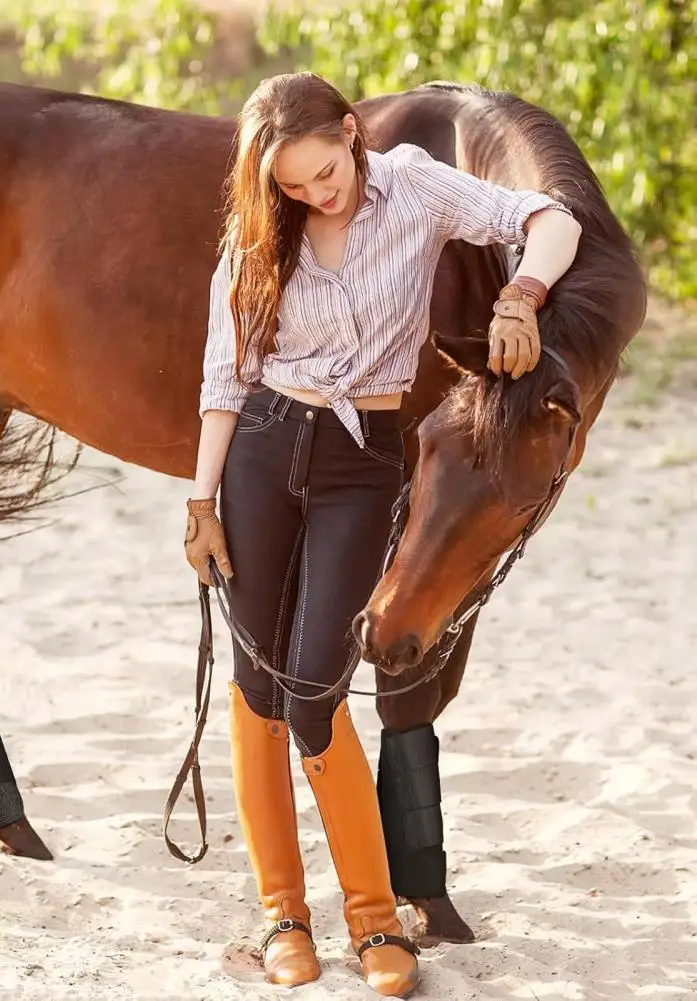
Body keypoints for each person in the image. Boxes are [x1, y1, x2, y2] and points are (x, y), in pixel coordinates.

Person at [183, 72, 581, 995]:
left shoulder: (414, 185)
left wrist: (519, 295)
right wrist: (199, 505)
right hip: (259, 452)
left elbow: (548, 217)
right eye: (291, 186)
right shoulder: (258, 231)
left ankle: (372, 920)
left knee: (318, 685)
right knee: (257, 684)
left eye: (324, 172)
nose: (314, 195)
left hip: (362, 463)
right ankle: (284, 912)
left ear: (351, 133)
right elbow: (221, 379)